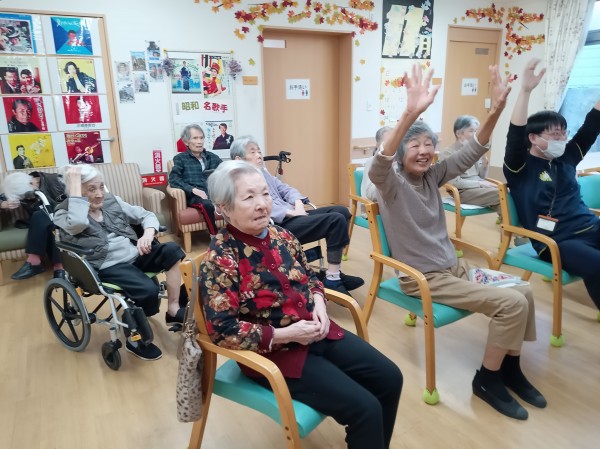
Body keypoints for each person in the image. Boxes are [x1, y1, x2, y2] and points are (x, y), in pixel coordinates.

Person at [369, 64, 545, 420]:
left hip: (455, 270)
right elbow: (379, 165)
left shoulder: (433, 176)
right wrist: (410, 113)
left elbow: (472, 150)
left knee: (523, 291)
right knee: (510, 304)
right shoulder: (392, 185)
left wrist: (497, 109)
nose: (424, 150)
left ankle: (510, 370)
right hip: (426, 280)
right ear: (401, 153)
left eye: (429, 143)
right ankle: (487, 380)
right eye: (415, 145)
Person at [202, 160, 402, 449]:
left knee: (390, 378)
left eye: (265, 194)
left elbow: (309, 278)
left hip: (316, 331)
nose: (262, 204)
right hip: (276, 354)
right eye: (249, 197)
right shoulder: (221, 257)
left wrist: (319, 301)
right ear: (224, 207)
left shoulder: (282, 235)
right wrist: (286, 334)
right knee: (365, 409)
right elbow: (223, 330)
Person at [54, 165, 187, 361]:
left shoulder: (112, 201)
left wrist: (147, 235)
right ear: (76, 191)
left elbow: (147, 215)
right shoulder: (63, 213)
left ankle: (173, 309)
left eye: (101, 187)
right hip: (107, 266)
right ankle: (134, 341)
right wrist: (74, 186)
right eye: (91, 189)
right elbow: (77, 224)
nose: (99, 194)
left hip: (134, 254)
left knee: (172, 250)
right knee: (148, 290)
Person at [504, 58, 600, 311]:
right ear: (533, 138)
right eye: (555, 134)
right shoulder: (520, 168)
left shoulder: (567, 157)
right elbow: (515, 135)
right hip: (557, 241)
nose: (562, 139)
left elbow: (592, 126)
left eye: (564, 133)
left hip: (591, 227)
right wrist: (525, 91)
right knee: (597, 266)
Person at [230, 136, 364, 297]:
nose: (259, 155)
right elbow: (259, 207)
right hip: (278, 226)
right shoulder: (241, 182)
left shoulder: (262, 173)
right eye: (253, 152)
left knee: (342, 211)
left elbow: (286, 189)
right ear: (239, 159)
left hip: (294, 215)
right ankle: (333, 280)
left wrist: (298, 203)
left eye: (259, 151)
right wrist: (291, 212)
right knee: (336, 220)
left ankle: (335, 272)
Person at [2, 170, 66, 280]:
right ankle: (59, 267)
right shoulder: (19, 186)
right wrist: (4, 204)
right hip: (44, 221)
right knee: (49, 224)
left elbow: (67, 203)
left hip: (62, 213)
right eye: (24, 198)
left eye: (27, 196)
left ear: (31, 183)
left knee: (44, 217)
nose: (28, 199)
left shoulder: (54, 181)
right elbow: (2, 197)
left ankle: (34, 262)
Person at [439, 115, 501, 213]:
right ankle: (507, 222)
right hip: (462, 191)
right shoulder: (447, 153)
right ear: (459, 133)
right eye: (472, 131)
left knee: (506, 194)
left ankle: (505, 221)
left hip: (477, 187)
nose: (476, 135)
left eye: (477, 131)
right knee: (502, 195)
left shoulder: (473, 151)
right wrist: (480, 184)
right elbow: (454, 182)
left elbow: (481, 176)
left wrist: (484, 162)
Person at [168, 124, 222, 236]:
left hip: (213, 194)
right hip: (194, 196)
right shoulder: (180, 159)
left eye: (201, 138)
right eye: (195, 138)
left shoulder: (212, 157)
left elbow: (226, 172)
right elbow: (173, 179)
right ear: (186, 142)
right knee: (207, 204)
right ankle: (214, 235)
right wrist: (193, 190)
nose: (199, 142)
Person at [361, 126, 393, 202]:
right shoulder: (371, 162)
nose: (393, 146)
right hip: (376, 206)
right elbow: (370, 194)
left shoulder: (400, 161)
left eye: (396, 141)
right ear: (378, 145)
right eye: (389, 143)